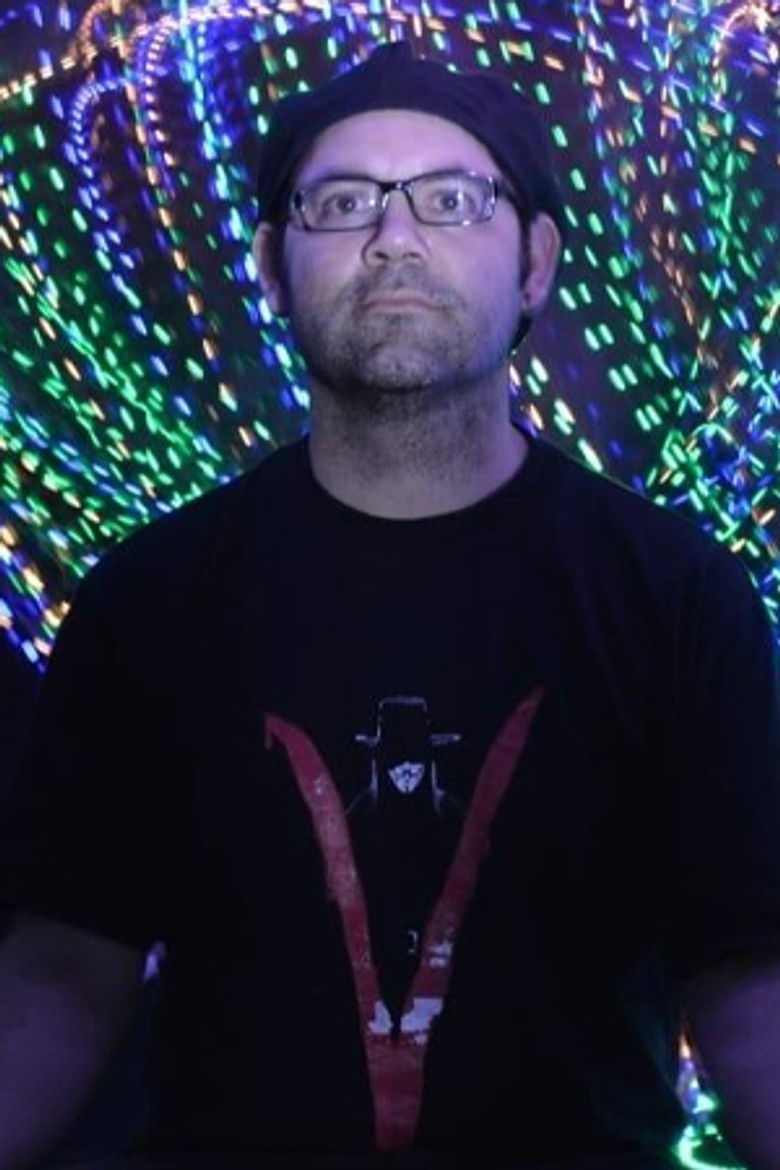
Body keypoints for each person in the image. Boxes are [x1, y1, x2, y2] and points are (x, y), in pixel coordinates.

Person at [0, 40, 779, 1170]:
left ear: (536, 263)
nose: (395, 238)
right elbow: (66, 970)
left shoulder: (677, 597)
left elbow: (748, 975)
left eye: (452, 199)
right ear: (272, 267)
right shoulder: (150, 599)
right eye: (344, 201)